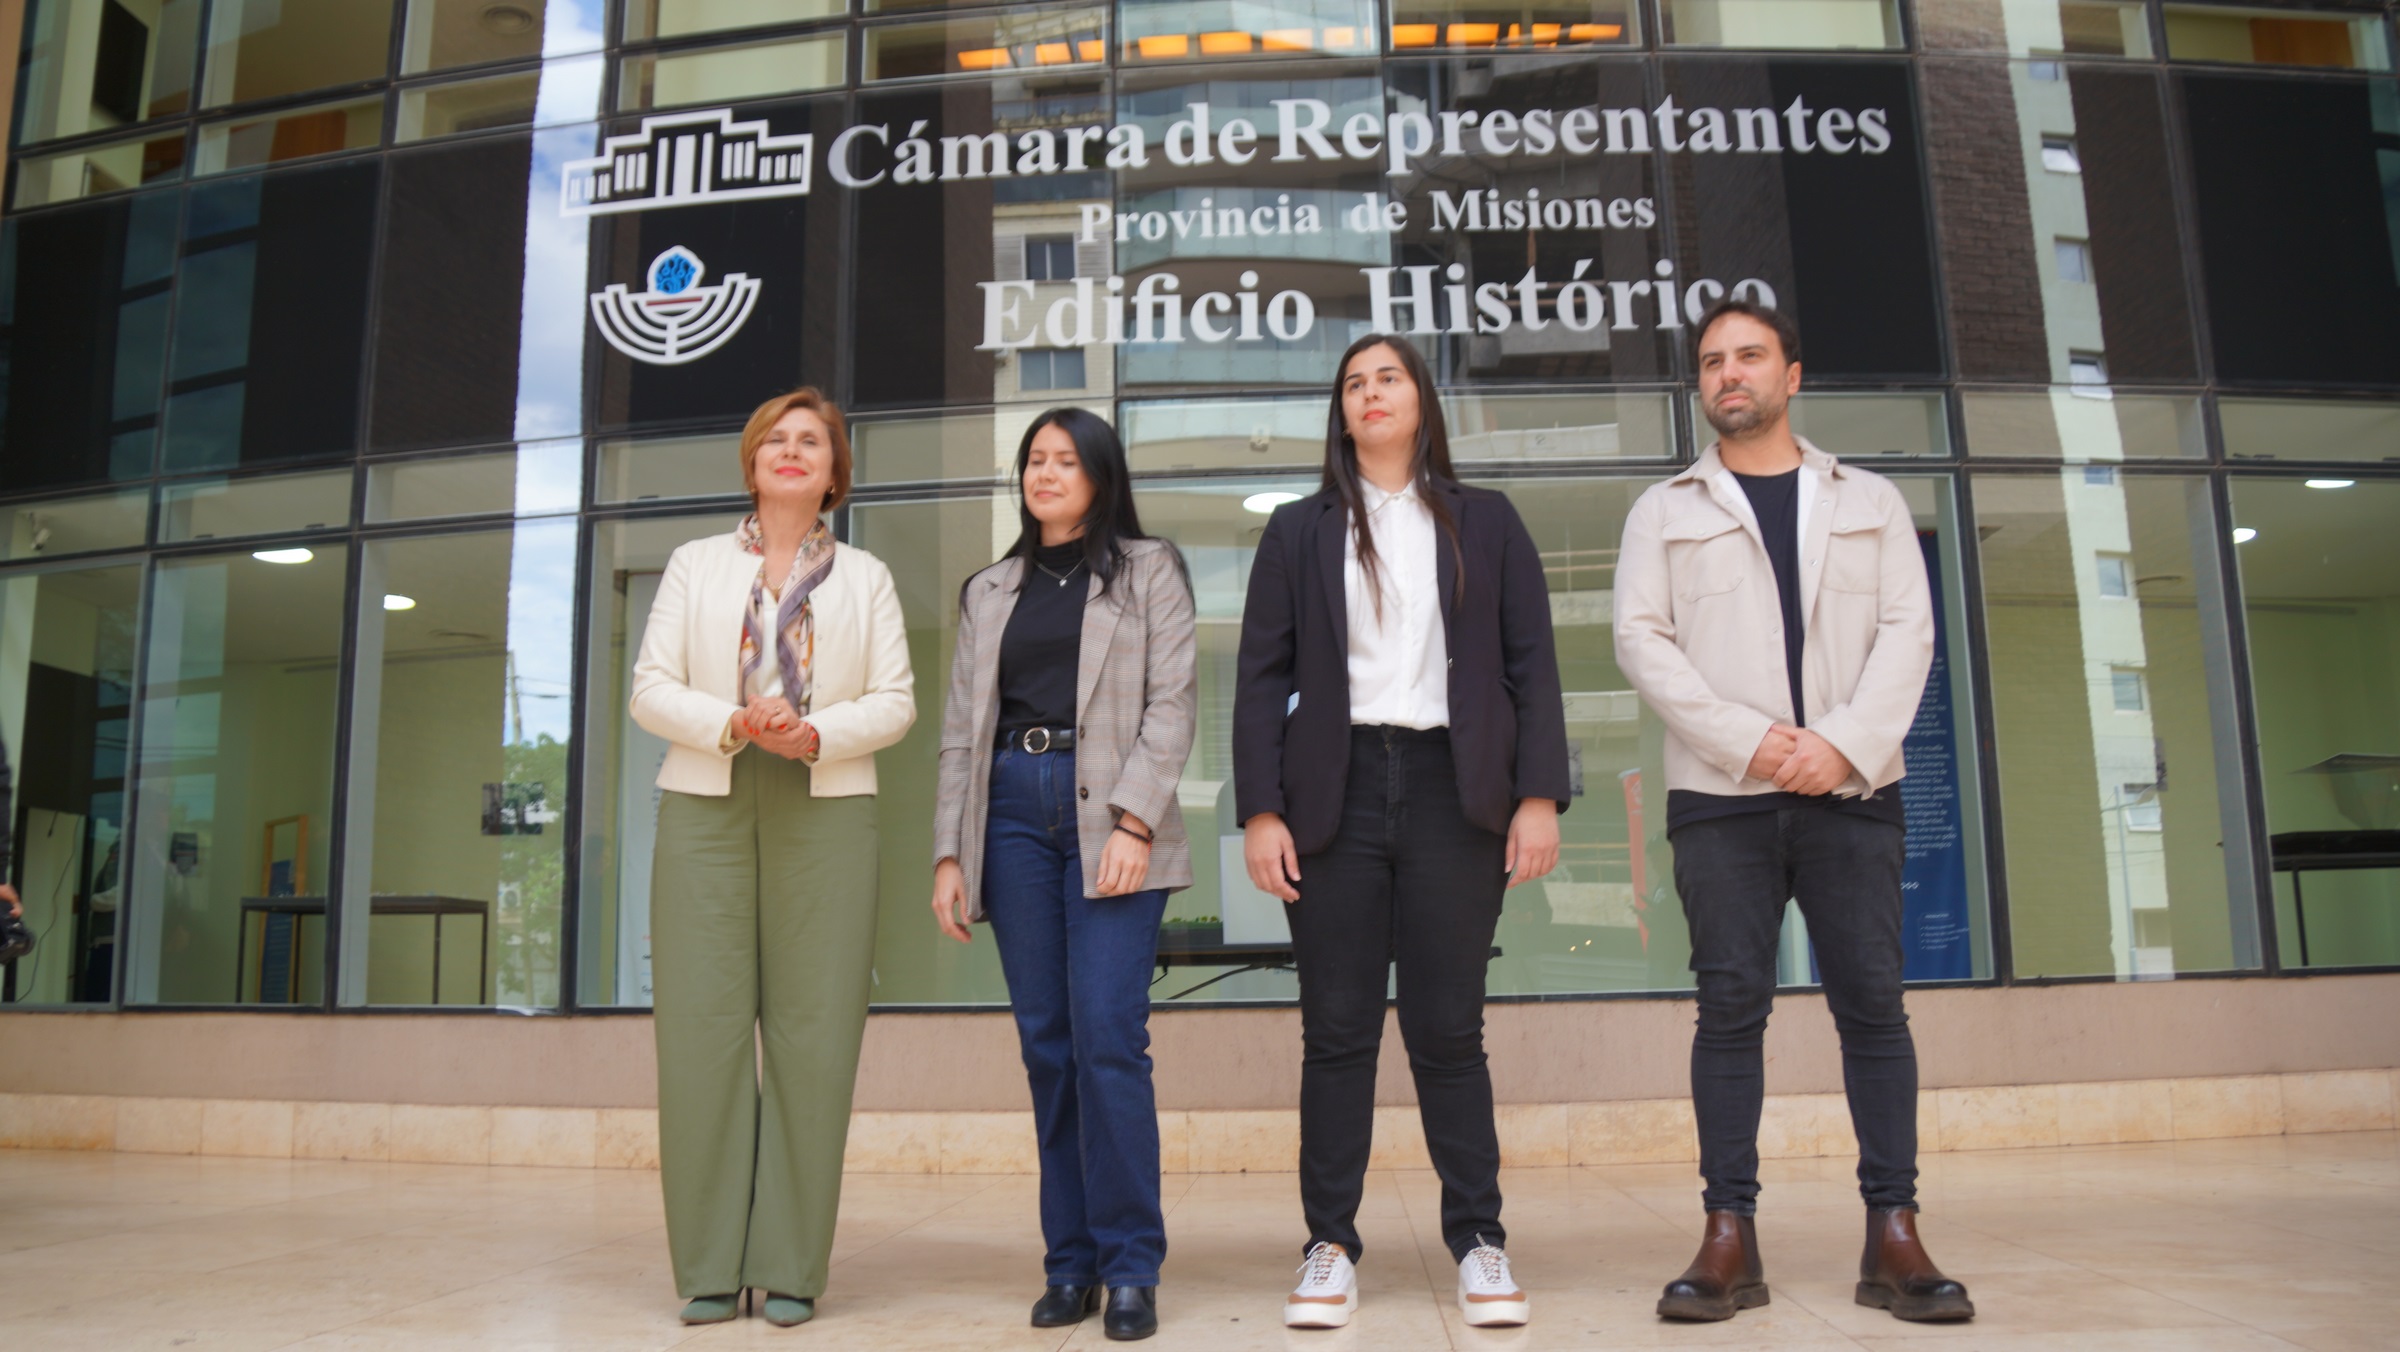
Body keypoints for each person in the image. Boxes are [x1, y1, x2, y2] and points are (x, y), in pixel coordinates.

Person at [1613, 300, 1973, 1324]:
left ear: (1792, 375)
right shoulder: (1664, 510)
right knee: (1730, 1008)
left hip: (1854, 790)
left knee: (1873, 1004)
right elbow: (1644, 643)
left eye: (1751, 357)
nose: (1731, 374)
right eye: (1714, 362)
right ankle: (1730, 1233)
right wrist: (1755, 739)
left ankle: (1892, 1232)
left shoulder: (1870, 498)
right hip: (1721, 798)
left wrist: (1840, 745)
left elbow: (1911, 632)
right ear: (1702, 386)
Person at [1233, 334, 1570, 1331]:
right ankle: (1329, 1242)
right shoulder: (1299, 530)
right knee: (1336, 1033)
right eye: (1354, 382)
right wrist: (1261, 808)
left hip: (1452, 788)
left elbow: (1532, 663)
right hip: (1330, 791)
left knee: (1449, 1032)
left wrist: (1538, 792)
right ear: (1340, 412)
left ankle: (1478, 1237)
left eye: (1389, 377)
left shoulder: (1487, 522)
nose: (1372, 393)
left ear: (1421, 399)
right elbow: (1258, 678)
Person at [630, 388, 916, 1327]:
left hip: (826, 806)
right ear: (752, 462)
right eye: (775, 441)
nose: (792, 453)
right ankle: (710, 1265)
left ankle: (792, 1263)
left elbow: (896, 701)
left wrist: (814, 733)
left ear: (835, 470)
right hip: (707, 800)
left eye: (812, 442)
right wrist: (736, 722)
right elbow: (650, 688)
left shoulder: (866, 577)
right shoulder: (694, 563)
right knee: (703, 1036)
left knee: (815, 1038)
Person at [930, 408, 1197, 1342]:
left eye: (1066, 460)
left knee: (1108, 1038)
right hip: (1009, 809)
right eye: (1035, 460)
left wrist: (1133, 819)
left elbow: (1173, 705)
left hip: (1110, 807)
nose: (1047, 473)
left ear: (1100, 475)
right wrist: (951, 852)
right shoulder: (989, 590)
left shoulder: (1148, 569)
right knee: (1047, 1043)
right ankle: (1069, 1262)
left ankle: (1130, 1265)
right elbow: (961, 732)